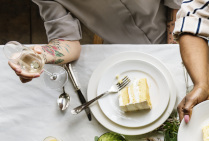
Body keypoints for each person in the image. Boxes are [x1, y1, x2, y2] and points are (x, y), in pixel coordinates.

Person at [10, 1, 181, 83]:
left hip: (177, 33)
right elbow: (67, 41)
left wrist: (171, 49)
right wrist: (42, 55)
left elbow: (176, 4)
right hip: (118, 53)